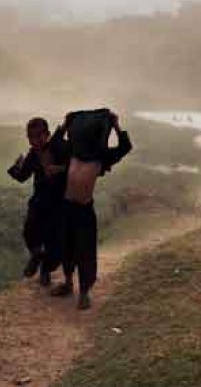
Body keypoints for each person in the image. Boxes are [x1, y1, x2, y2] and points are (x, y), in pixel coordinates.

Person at [51, 110, 132, 310]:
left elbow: (125, 147)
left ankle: (85, 292)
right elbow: (54, 144)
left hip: (84, 210)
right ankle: (68, 283)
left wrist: (115, 125)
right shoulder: (72, 151)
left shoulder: (102, 157)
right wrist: (64, 124)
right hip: (67, 206)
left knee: (85, 251)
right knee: (67, 247)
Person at [7, 117, 70, 286]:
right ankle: (37, 257)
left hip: (58, 204)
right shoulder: (33, 155)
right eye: (31, 137)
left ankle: (45, 271)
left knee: (53, 242)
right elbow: (22, 176)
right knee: (29, 233)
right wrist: (16, 167)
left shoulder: (59, 148)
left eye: (38, 136)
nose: (35, 141)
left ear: (47, 135)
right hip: (39, 202)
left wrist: (59, 168)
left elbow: (75, 165)